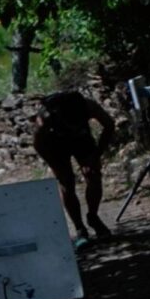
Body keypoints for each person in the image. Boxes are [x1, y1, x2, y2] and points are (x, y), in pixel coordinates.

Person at [33, 89, 116, 246]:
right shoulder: (46, 117)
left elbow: (109, 125)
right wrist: (54, 164)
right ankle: (79, 228)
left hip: (81, 140)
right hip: (55, 144)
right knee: (66, 183)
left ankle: (93, 217)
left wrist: (96, 155)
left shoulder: (88, 106)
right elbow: (38, 144)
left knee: (93, 175)